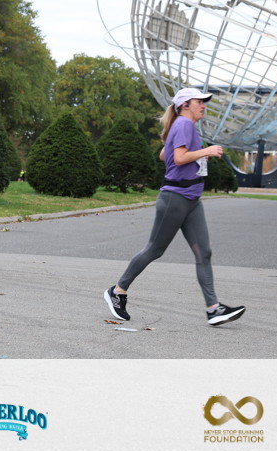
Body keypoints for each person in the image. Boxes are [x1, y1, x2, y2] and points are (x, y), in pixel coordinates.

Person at [104, 88, 245, 327]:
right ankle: (117, 291)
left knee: (203, 253)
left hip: (191, 200)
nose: (204, 105)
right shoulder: (183, 124)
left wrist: (194, 154)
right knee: (154, 249)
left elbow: (164, 155)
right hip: (175, 199)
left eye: (204, 101)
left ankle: (213, 309)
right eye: (199, 101)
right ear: (185, 105)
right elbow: (178, 158)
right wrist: (206, 151)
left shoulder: (182, 126)